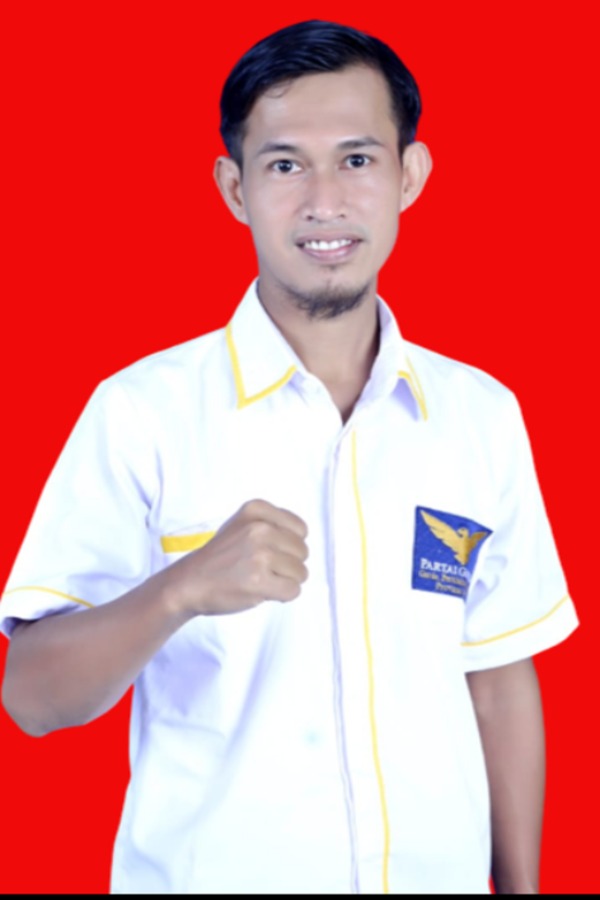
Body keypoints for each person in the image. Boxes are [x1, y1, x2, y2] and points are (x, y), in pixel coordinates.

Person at [0, 18, 578, 895]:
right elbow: (33, 698)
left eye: (356, 159)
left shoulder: (480, 416)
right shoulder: (143, 412)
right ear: (234, 188)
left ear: (409, 175)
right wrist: (181, 588)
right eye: (283, 165)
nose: (323, 202)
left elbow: (497, 678)